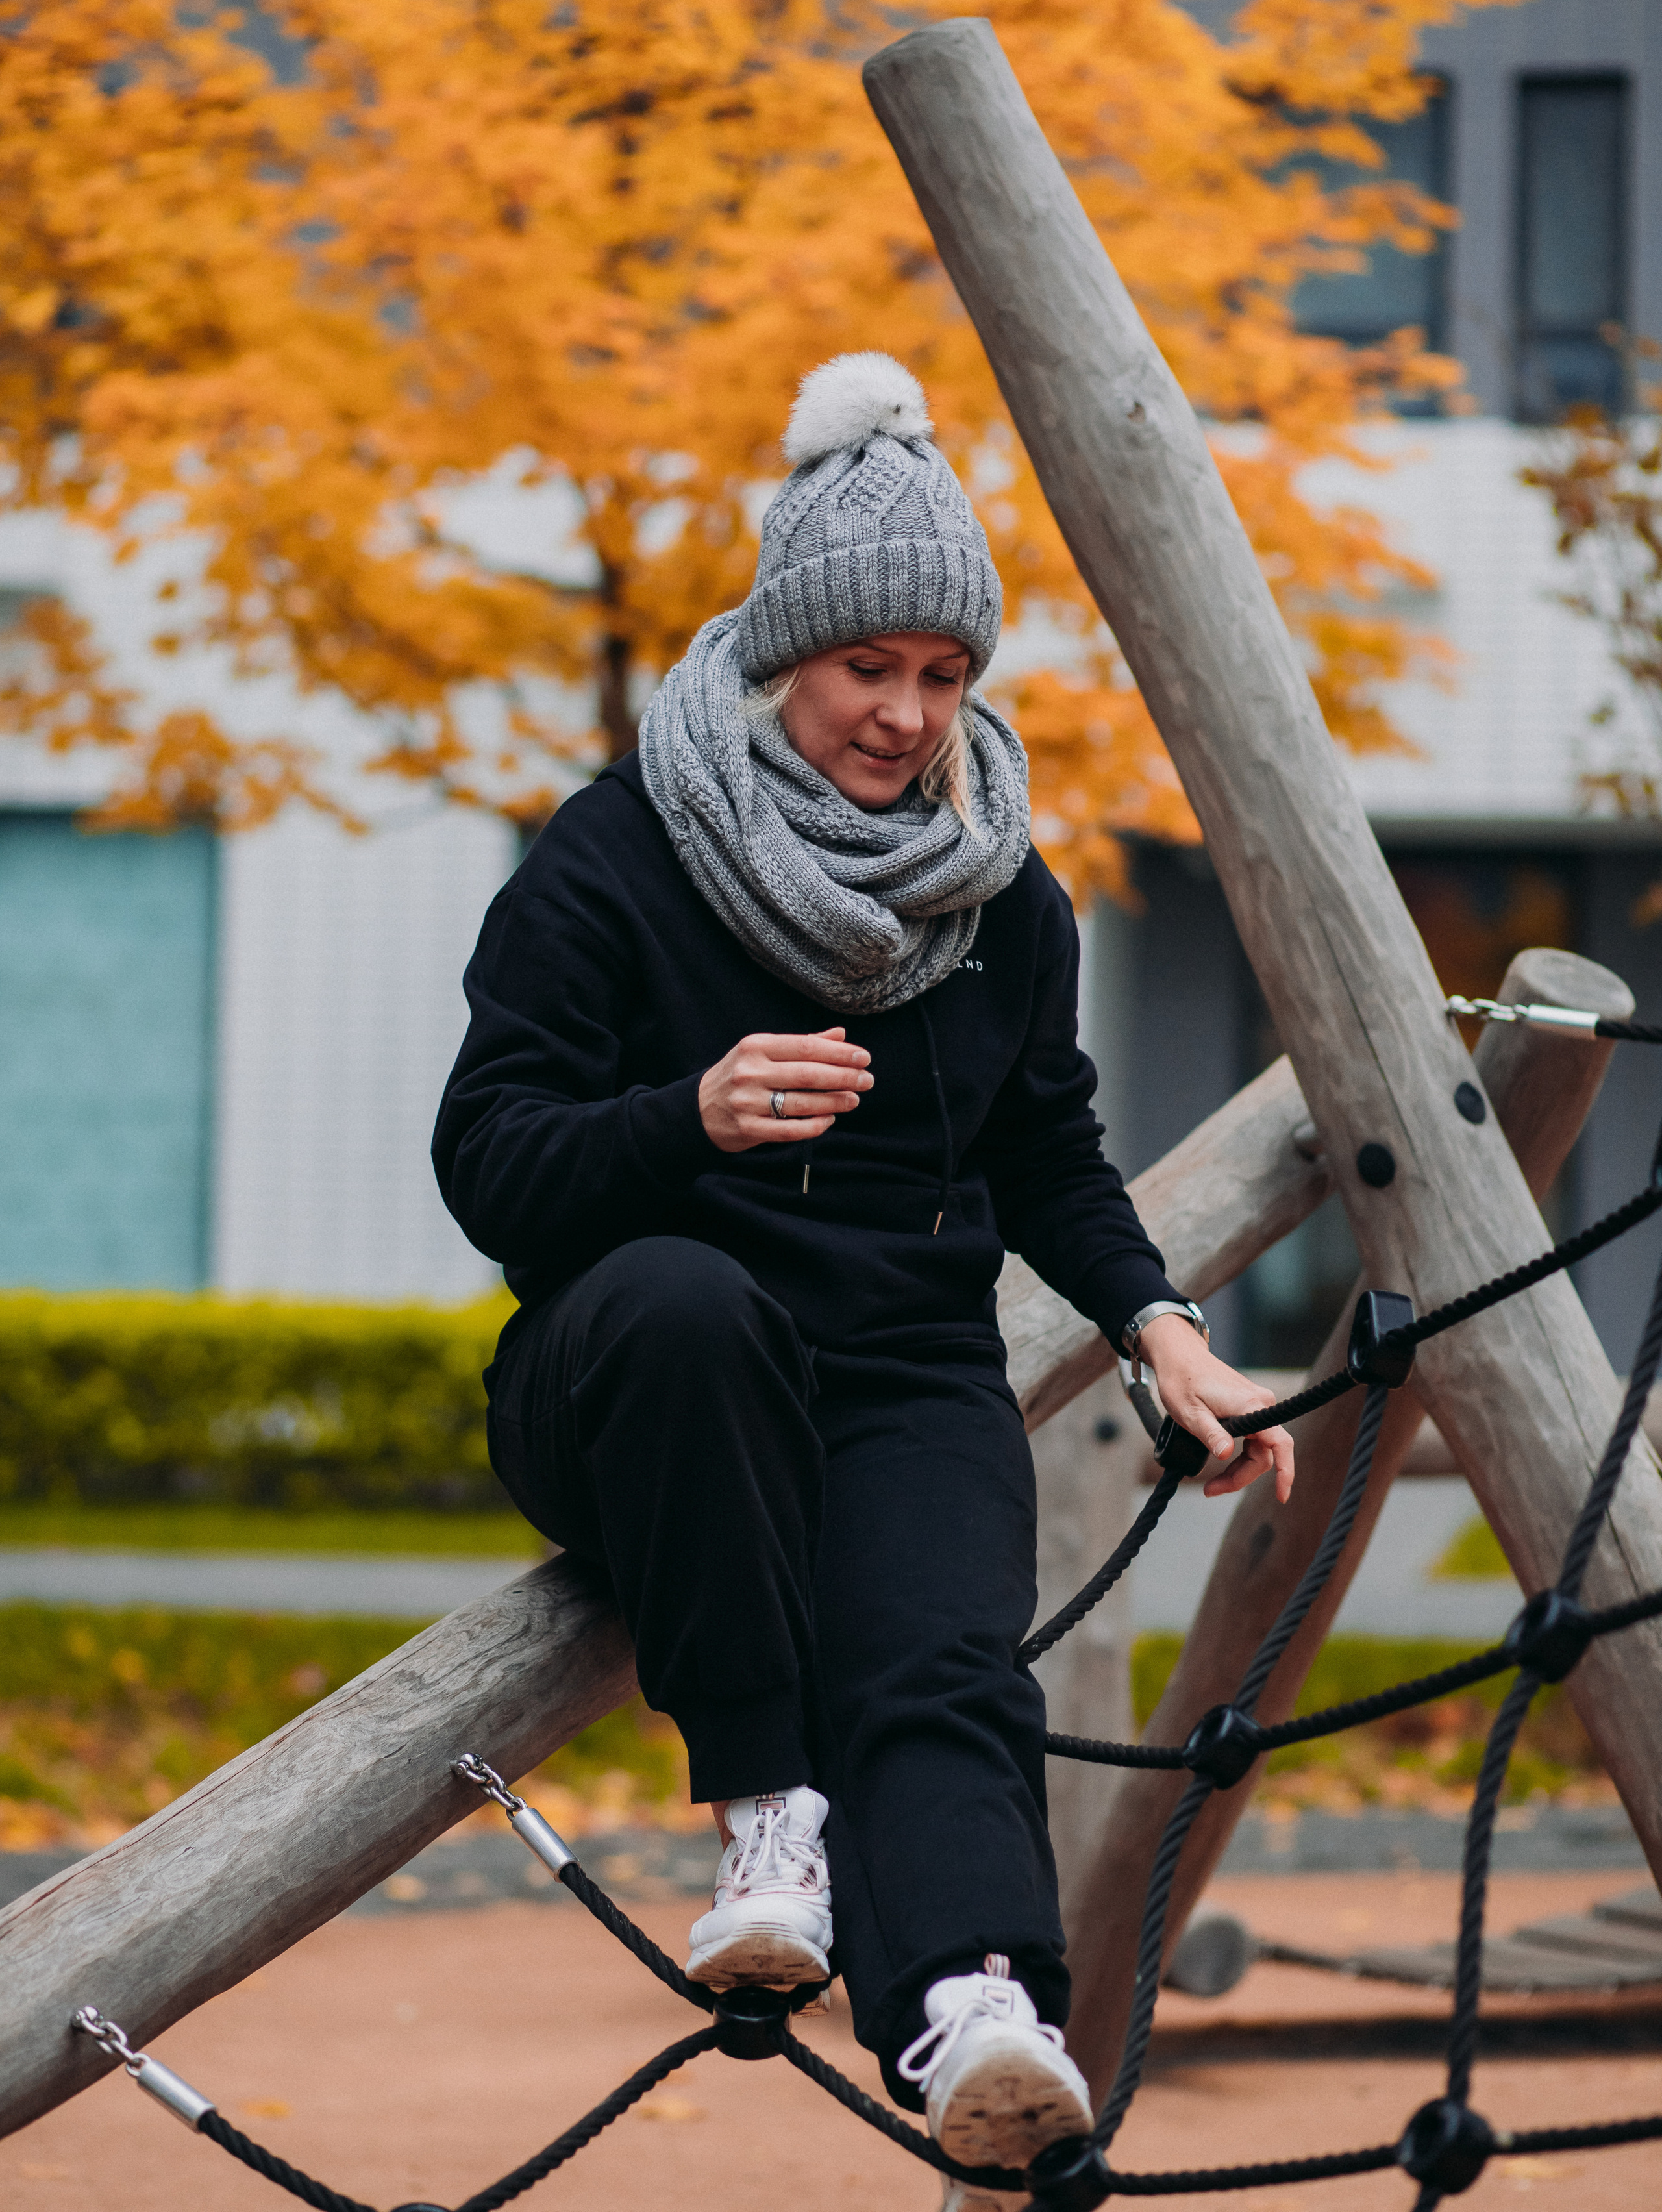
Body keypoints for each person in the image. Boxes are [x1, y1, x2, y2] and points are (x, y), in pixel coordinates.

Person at [434, 352, 1293, 2205]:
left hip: (896, 1364)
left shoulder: (1003, 902)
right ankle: (767, 1830)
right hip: (637, 1374)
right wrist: (694, 1114)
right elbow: (488, 1163)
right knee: (684, 1302)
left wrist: (1166, 1334)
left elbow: (1049, 1151)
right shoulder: (619, 855)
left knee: (939, 1655)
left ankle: (980, 2012)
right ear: (781, 656)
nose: (906, 716)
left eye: (944, 675)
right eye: (867, 669)